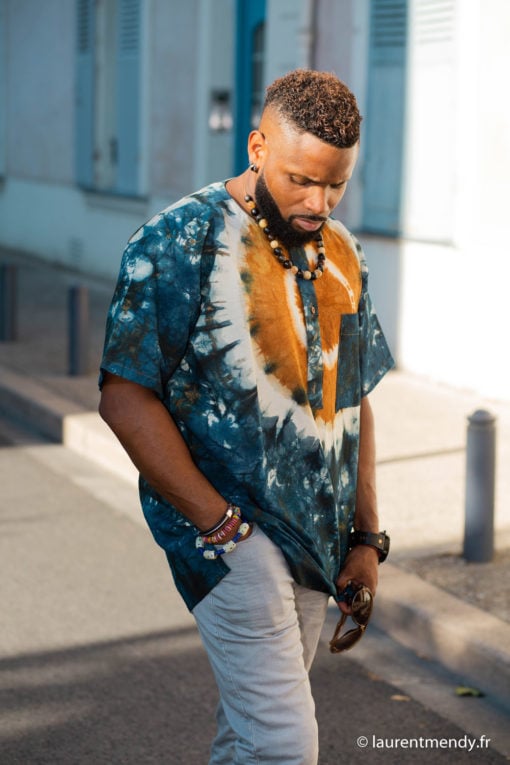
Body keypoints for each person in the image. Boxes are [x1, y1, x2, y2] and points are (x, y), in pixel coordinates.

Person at [99, 69, 394, 765]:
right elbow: (123, 395)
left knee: (250, 737)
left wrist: (366, 537)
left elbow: (353, 398)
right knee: (286, 745)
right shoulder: (178, 242)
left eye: (336, 184)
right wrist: (220, 525)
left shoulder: (343, 253)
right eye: (300, 180)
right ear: (258, 146)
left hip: (317, 542)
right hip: (232, 542)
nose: (318, 202)